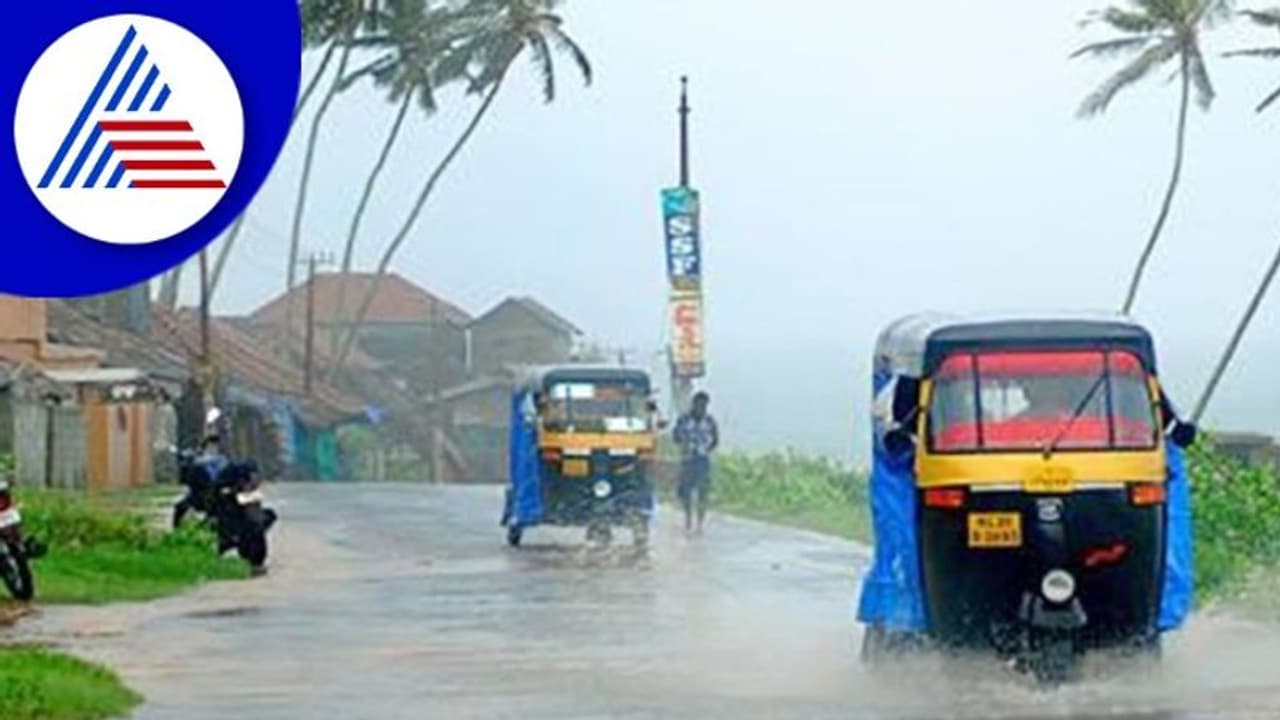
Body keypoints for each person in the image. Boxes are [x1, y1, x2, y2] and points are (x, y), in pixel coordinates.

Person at [673, 391, 719, 535]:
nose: (701, 407)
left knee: (703, 492)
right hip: (688, 459)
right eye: (699, 404)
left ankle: (699, 523)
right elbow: (676, 437)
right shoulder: (684, 420)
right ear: (694, 404)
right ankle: (688, 519)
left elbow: (716, 439)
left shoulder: (710, 421)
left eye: (704, 405)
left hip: (703, 460)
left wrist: (705, 449)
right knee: (685, 492)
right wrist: (685, 444)